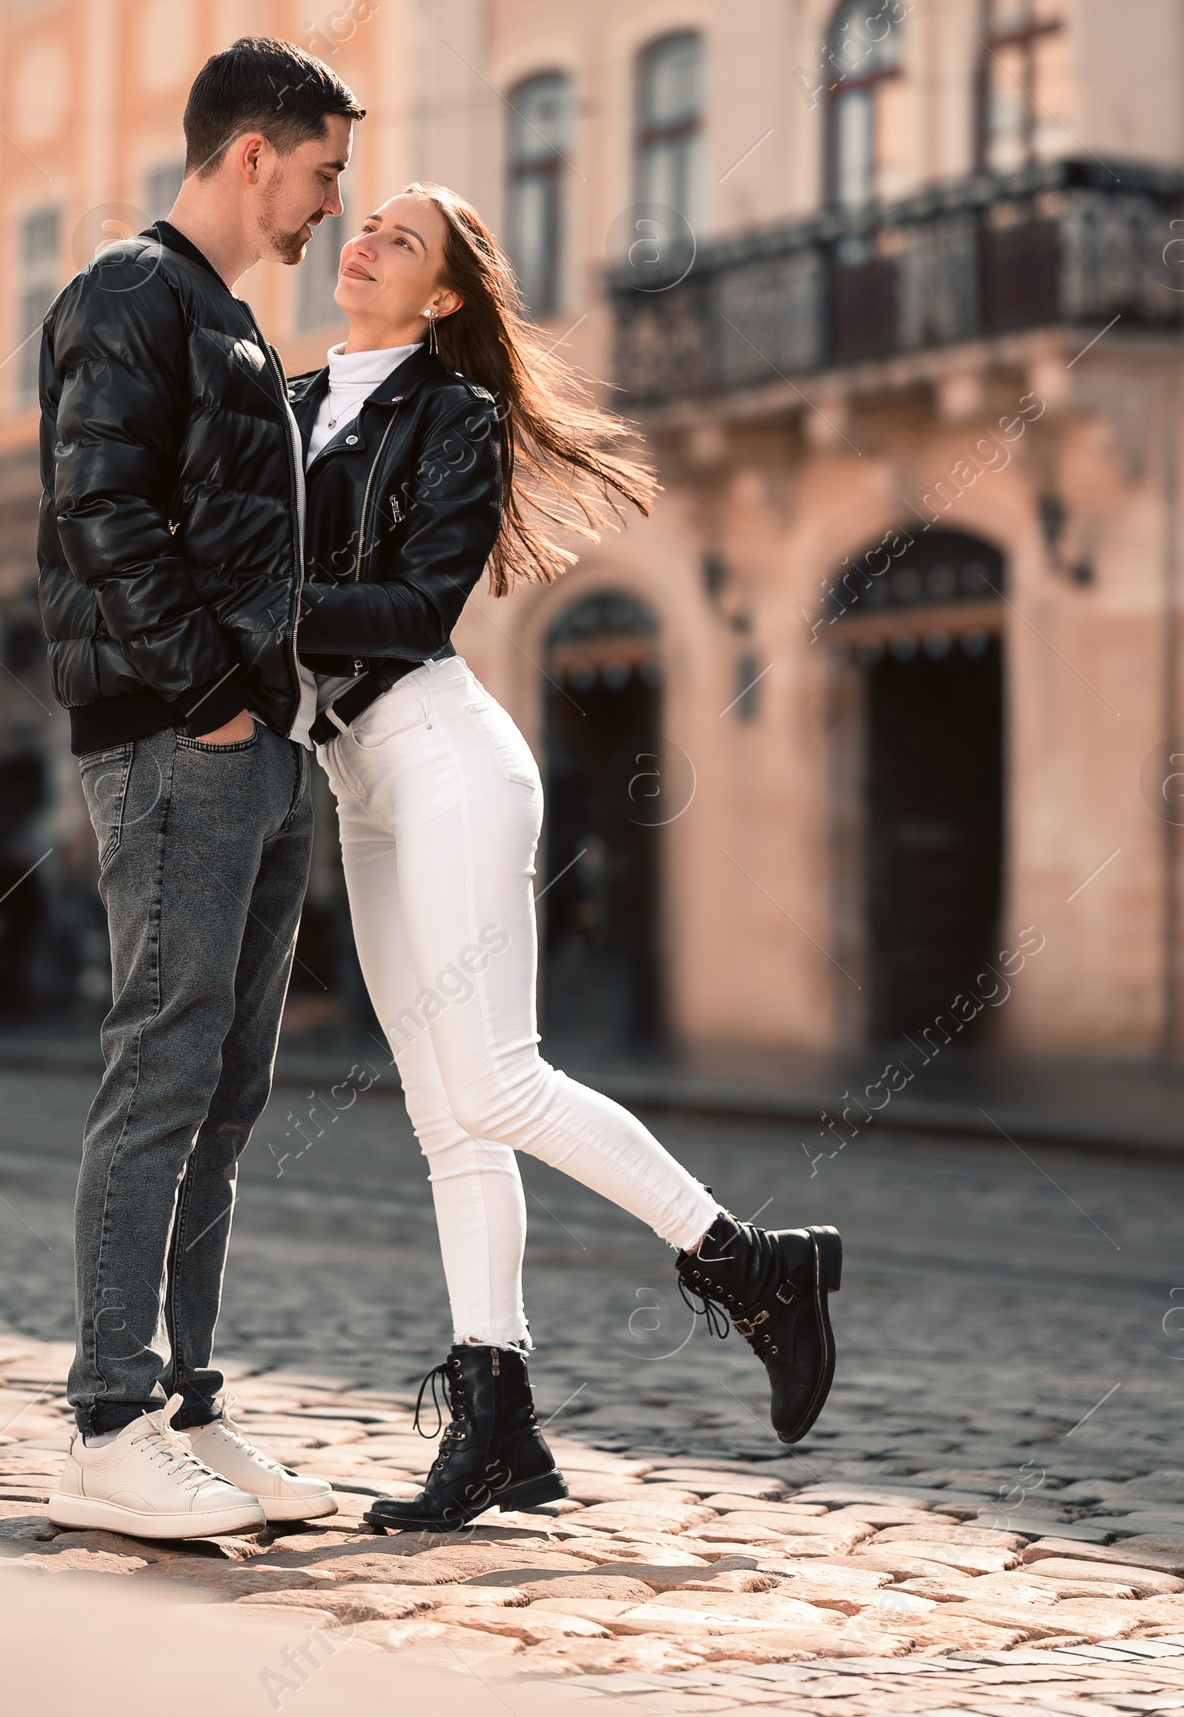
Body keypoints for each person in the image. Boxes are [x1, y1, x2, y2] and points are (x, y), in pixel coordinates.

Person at [290, 185, 844, 1534]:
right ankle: (498, 1421)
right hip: (353, 777)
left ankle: (752, 1264)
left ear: (443, 302)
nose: (361, 239)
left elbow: (419, 603)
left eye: (400, 240)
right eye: (363, 221)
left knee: (496, 1076)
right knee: (444, 1114)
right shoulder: (289, 406)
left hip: (444, 757)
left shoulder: (452, 415)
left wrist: (260, 606)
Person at [39, 39, 360, 1542]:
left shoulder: (231, 322)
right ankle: (108, 1420)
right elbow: (98, 507)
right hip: (183, 748)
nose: (328, 206)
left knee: (227, 1092)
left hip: (257, 751)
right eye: (319, 172)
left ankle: (186, 1407)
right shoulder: (129, 291)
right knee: (161, 1071)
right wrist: (215, 700)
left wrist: (278, 719)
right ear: (252, 153)